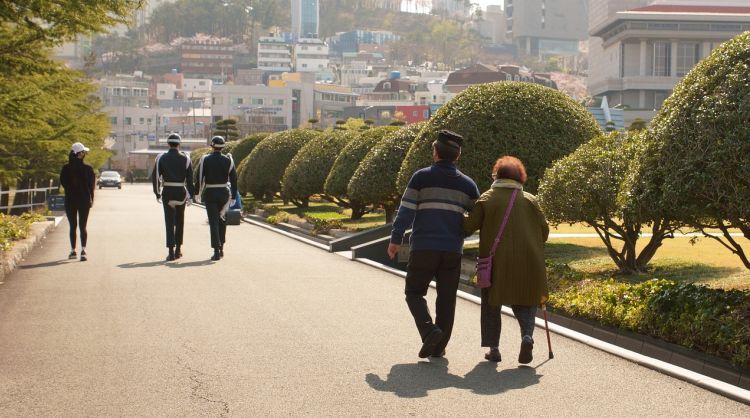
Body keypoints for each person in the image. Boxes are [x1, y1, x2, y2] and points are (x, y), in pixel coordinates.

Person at [387, 130, 480, 359]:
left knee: (414, 292)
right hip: (452, 250)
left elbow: (406, 211)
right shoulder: (468, 185)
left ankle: (429, 331)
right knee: (446, 299)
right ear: (457, 156)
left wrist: (395, 239)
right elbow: (477, 217)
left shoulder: (421, 177)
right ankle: (438, 347)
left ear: (436, 152)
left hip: (424, 247)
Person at [463, 156, 549, 364]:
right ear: (521, 177)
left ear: (497, 175)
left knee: (492, 303)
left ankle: (494, 349)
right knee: (526, 301)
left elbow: (467, 228)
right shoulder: (531, 200)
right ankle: (526, 336)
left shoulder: (487, 197)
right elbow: (544, 232)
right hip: (529, 261)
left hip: (495, 263)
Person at [152, 133, 195, 261]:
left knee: (169, 222)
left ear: (168, 143)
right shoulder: (186, 158)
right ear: (179, 143)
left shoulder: (161, 158)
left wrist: (157, 192)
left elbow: (155, 177)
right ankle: (178, 250)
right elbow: (190, 179)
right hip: (181, 191)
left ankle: (170, 251)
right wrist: (191, 195)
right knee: (180, 221)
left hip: (168, 192)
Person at [195, 136, 238, 261]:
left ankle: (216, 250)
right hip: (224, 193)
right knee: (222, 220)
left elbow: (199, 177)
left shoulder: (205, 159)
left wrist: (197, 192)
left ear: (212, 146)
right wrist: (234, 195)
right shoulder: (228, 160)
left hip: (210, 193)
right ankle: (222, 247)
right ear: (223, 147)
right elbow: (234, 179)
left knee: (213, 221)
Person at [59, 142, 95, 261]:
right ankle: (83, 250)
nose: (85, 154)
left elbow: (64, 184)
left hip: (70, 200)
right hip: (84, 200)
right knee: (82, 226)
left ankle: (73, 250)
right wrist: (91, 200)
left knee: (72, 226)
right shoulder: (88, 169)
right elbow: (91, 187)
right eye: (83, 152)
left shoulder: (65, 168)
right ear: (79, 154)